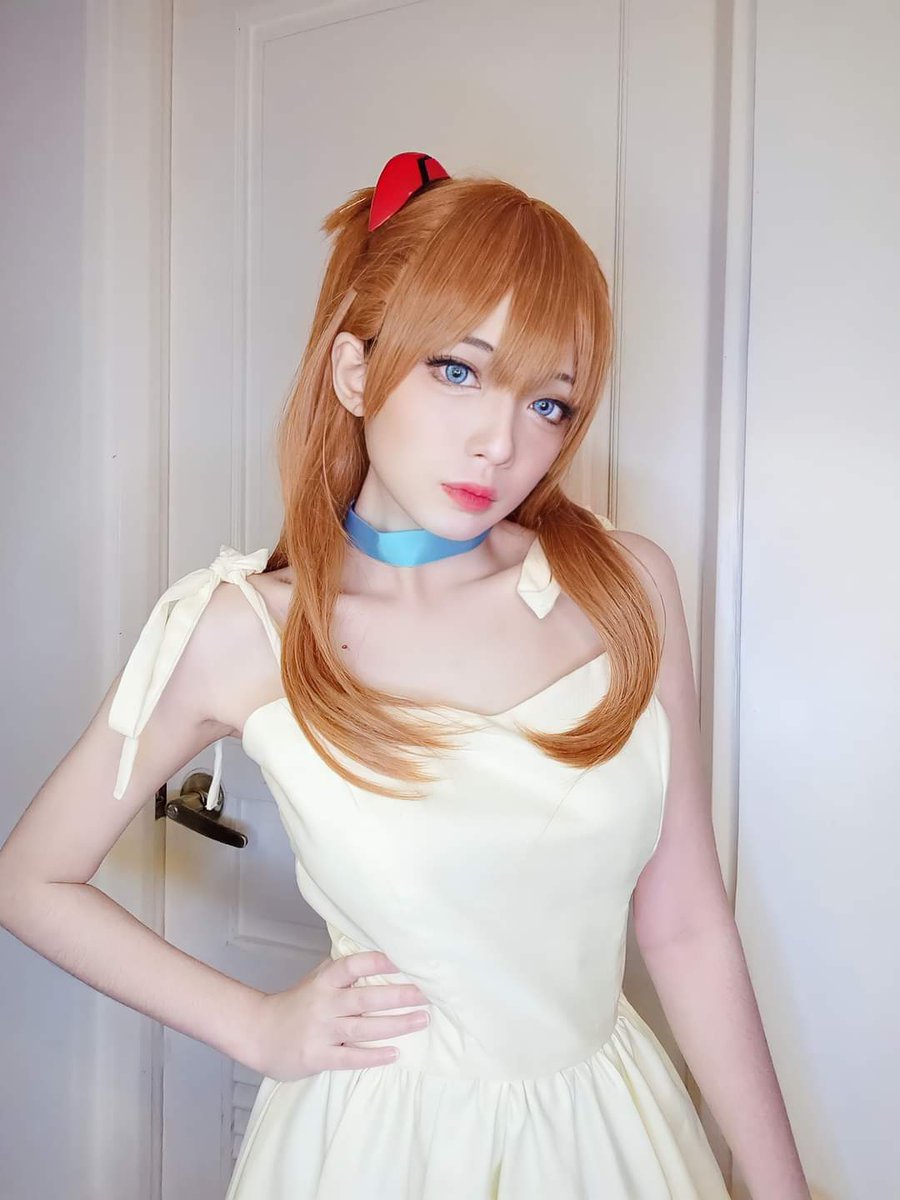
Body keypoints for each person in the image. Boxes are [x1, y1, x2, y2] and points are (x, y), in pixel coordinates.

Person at [0, 152, 811, 1199]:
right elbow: (31, 879)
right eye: (458, 371)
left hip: (608, 1131)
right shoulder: (243, 632)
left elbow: (687, 922)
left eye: (549, 404)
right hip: (380, 1148)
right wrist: (255, 1026)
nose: (500, 443)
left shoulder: (625, 586)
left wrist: (781, 1187)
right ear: (354, 371)